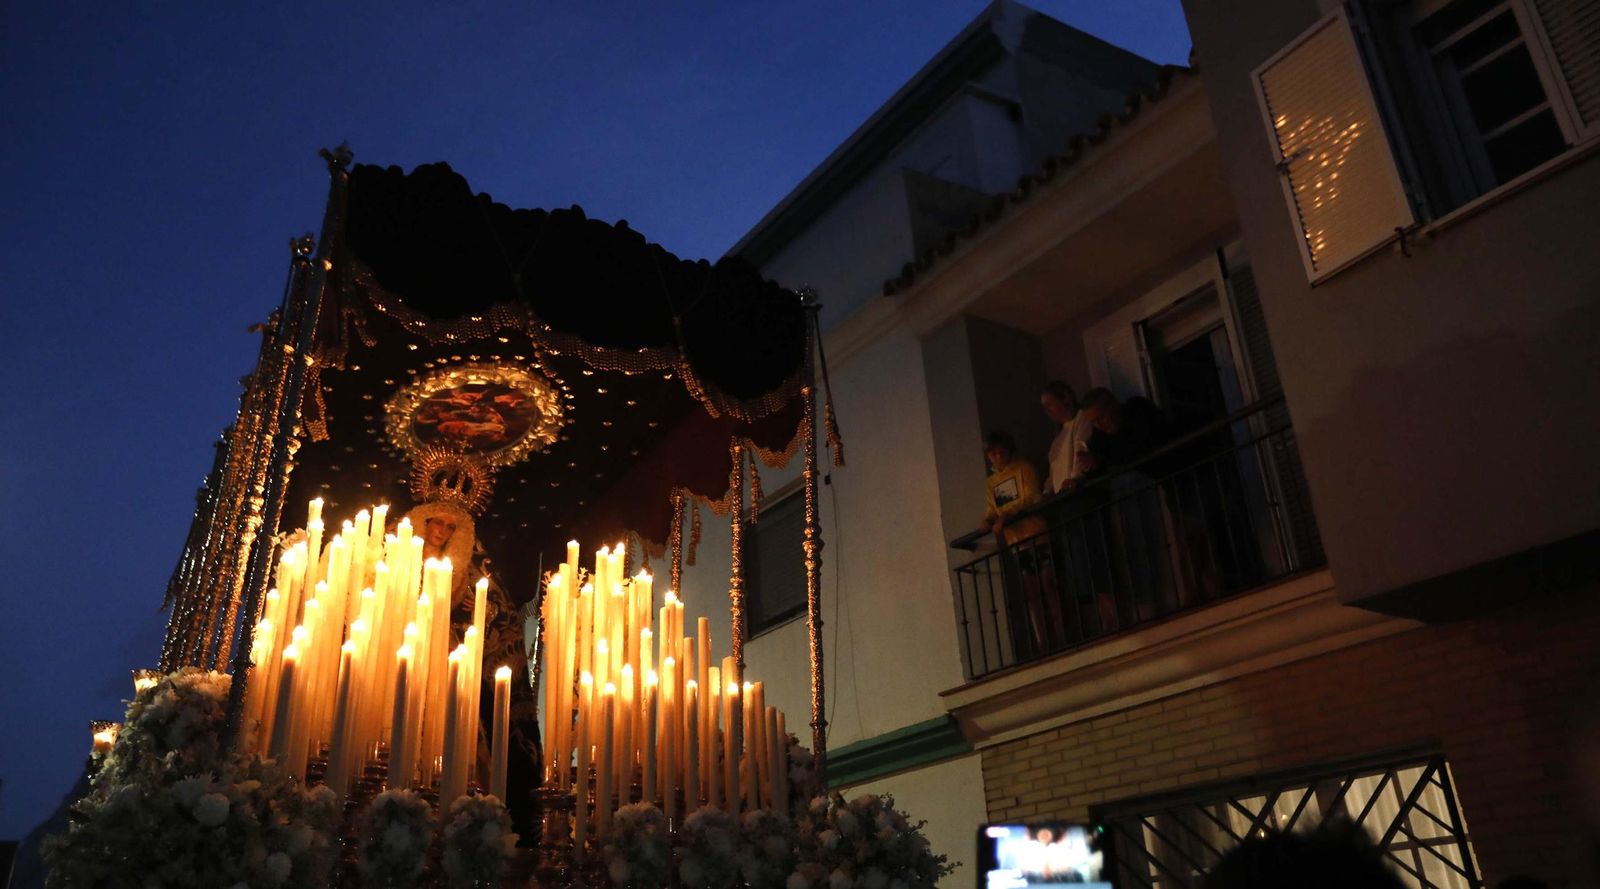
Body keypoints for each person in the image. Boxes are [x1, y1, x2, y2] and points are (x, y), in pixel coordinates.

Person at [980, 431, 1057, 656]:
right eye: (993, 453)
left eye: (1001, 451)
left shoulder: (1024, 468)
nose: (998, 456)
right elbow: (992, 509)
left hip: (1036, 533)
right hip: (1017, 542)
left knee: (1049, 584)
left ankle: (1059, 632)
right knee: (1031, 593)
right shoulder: (991, 482)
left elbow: (1031, 496)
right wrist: (987, 520)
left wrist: (1007, 515)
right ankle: (1042, 639)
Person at [1041, 381, 1093, 495]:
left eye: (1050, 405)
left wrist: (1075, 478)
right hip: (1063, 496)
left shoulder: (1081, 418)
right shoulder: (1056, 442)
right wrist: (1046, 492)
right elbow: (1053, 472)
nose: (1048, 411)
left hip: (1079, 492)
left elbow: (1081, 449)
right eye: (1045, 408)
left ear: (1065, 398)